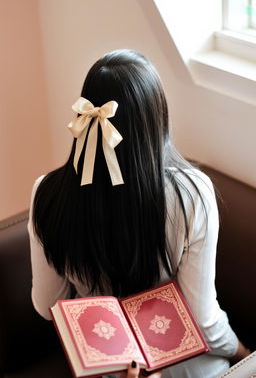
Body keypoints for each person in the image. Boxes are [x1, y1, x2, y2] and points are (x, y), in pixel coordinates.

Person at [28, 49, 250, 378]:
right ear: (156, 120)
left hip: (105, 363)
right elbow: (203, 318)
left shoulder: (46, 192)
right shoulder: (192, 194)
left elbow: (48, 305)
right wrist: (241, 351)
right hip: (182, 358)